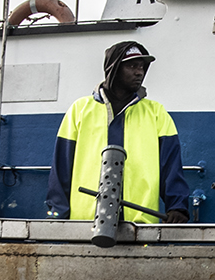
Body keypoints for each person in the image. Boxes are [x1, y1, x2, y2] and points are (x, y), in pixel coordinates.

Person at [45, 42, 191, 223]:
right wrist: (58, 213)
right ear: (113, 69)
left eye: (142, 67)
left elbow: (171, 165)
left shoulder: (156, 113)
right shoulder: (80, 110)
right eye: (131, 66)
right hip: (84, 224)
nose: (139, 72)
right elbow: (62, 166)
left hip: (138, 225)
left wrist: (177, 206)